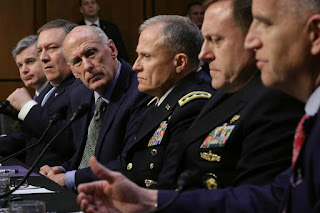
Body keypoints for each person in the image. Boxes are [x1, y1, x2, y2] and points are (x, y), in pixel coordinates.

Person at [77, 0, 320, 212]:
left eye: (266, 24)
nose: (253, 41)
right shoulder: (224, 96)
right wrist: (150, 201)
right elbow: (274, 197)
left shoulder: (273, 103)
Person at [39, 25, 150, 190]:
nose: (87, 66)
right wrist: (61, 169)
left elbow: (127, 163)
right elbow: (86, 154)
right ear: (74, 72)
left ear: (112, 49)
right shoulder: (79, 95)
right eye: (77, 61)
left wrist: (69, 178)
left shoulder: (140, 91)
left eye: (91, 53)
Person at [116, 15, 213, 188]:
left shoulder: (193, 105)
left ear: (180, 62)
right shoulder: (153, 100)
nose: (136, 66)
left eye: (146, 56)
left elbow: (170, 184)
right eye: (138, 55)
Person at [2, 20, 80, 169]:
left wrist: (27, 106)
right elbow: (28, 137)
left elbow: (69, 140)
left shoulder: (80, 87)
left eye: (52, 48)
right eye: (40, 51)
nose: (44, 57)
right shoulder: (51, 89)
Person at [0, 34, 48, 155]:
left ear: (45, 59)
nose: (24, 70)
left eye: (30, 62)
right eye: (20, 65)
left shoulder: (60, 94)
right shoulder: (36, 96)